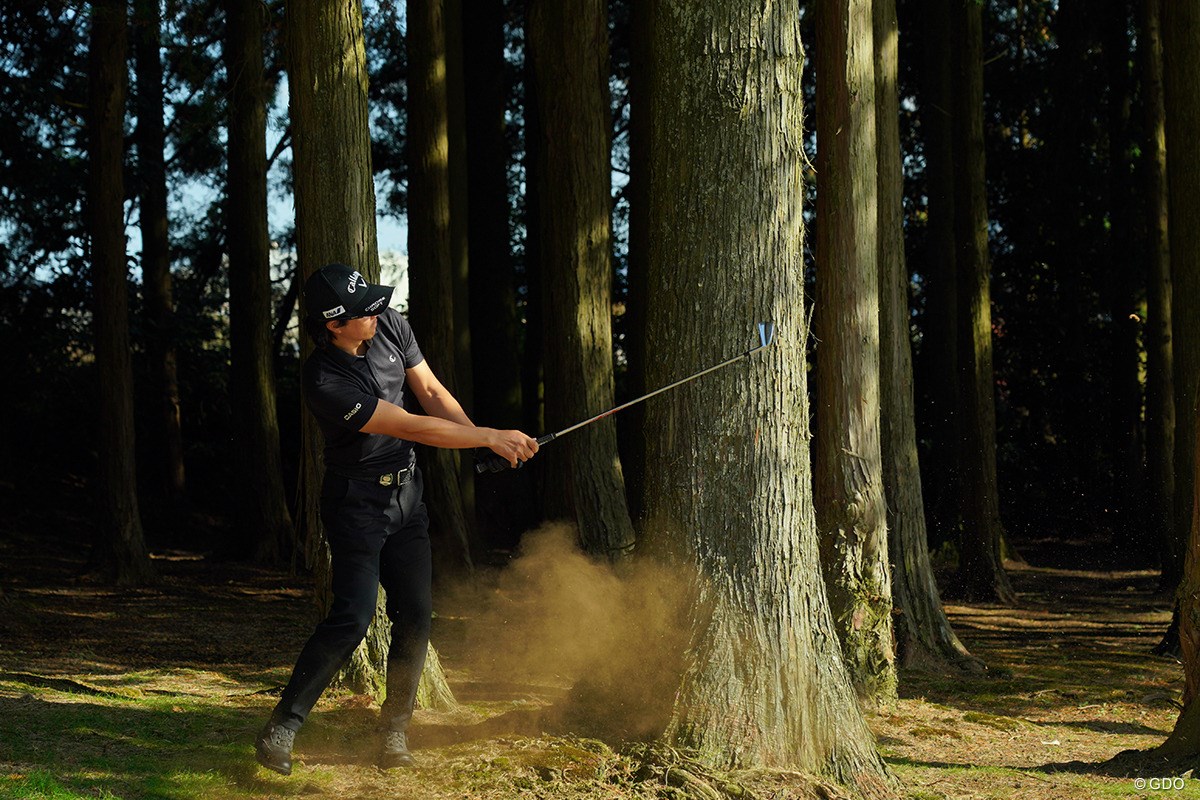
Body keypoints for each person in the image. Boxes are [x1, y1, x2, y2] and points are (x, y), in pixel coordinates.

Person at [256, 262, 538, 775]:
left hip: (408, 497)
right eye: (363, 312)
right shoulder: (323, 380)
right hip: (355, 505)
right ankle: (283, 725)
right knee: (354, 617)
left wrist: (478, 440)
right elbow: (408, 424)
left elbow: (428, 392)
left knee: (418, 613)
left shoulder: (391, 324)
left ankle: (394, 733)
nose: (377, 313)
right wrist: (490, 436)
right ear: (333, 325)